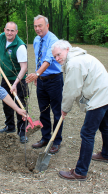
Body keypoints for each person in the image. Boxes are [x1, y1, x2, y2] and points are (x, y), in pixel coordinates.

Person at [51, 40, 108, 181]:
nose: (57, 59)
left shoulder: (74, 63)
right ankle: (106, 154)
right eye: (55, 57)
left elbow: (71, 90)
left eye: (59, 54)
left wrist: (64, 109)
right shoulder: (79, 56)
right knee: (104, 125)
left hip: (100, 96)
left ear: (67, 50)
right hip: (107, 93)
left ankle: (80, 172)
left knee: (87, 133)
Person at [26, 15, 63, 154]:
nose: (37, 29)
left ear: (47, 25)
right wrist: (38, 75)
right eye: (35, 26)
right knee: (43, 111)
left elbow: (48, 60)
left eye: (40, 26)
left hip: (54, 80)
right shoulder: (36, 40)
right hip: (41, 80)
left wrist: (37, 73)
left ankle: (57, 141)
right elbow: (39, 59)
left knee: (57, 112)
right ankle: (45, 137)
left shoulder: (54, 41)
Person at [0, 22, 28, 144]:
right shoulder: (2, 36)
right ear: (4, 30)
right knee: (6, 102)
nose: (9, 33)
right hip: (5, 77)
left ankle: (22, 132)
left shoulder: (20, 46)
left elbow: (24, 68)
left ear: (16, 32)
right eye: (8, 30)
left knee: (20, 103)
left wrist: (16, 83)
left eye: (12, 31)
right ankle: (10, 126)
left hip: (19, 79)